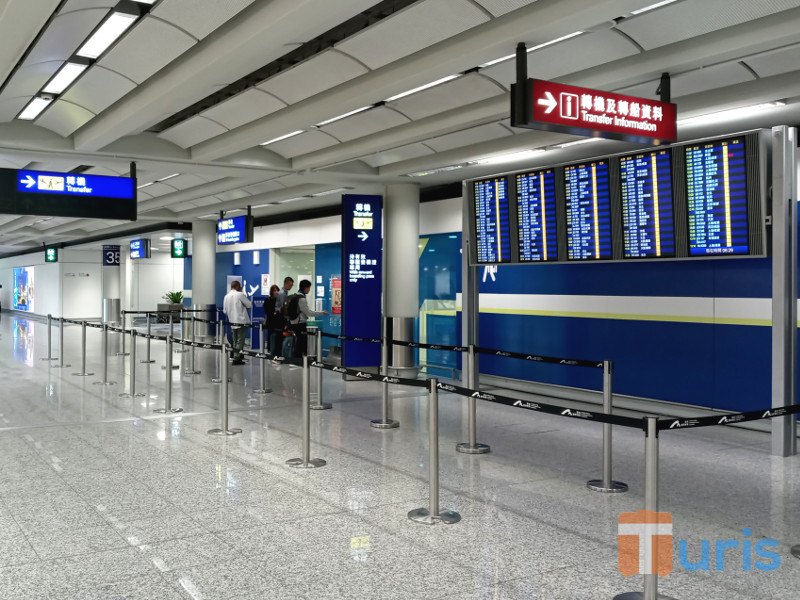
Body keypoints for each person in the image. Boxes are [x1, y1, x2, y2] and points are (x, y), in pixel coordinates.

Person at [288, 279, 328, 357]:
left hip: (294, 322)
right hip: (300, 323)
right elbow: (308, 313)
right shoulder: (301, 299)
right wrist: (321, 313)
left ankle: (299, 360)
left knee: (299, 342)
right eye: (309, 288)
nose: (309, 290)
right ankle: (298, 360)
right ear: (305, 288)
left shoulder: (296, 295)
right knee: (301, 343)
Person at [222, 281, 252, 365]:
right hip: (241, 321)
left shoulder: (226, 296)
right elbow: (249, 305)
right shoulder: (240, 295)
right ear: (238, 286)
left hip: (232, 321)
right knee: (240, 340)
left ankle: (235, 356)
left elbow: (224, 310)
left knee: (235, 340)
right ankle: (236, 357)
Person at [263, 284, 281, 353]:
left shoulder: (279, 300)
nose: (276, 292)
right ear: (272, 292)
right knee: (270, 335)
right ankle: (270, 348)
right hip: (271, 321)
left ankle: (276, 349)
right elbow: (267, 311)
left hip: (278, 322)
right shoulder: (268, 300)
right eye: (275, 291)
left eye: (277, 290)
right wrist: (274, 313)